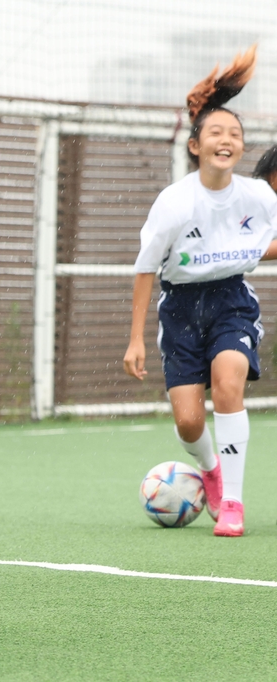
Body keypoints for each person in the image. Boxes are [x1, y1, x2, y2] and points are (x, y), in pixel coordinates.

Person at [124, 46, 277, 537]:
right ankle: (210, 471)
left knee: (229, 382)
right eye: (216, 132)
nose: (225, 140)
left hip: (232, 301)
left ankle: (232, 500)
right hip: (181, 309)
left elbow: (262, 242)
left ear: (241, 147)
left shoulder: (257, 197)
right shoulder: (174, 204)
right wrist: (135, 339)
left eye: (234, 134)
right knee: (189, 422)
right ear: (196, 146)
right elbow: (146, 268)